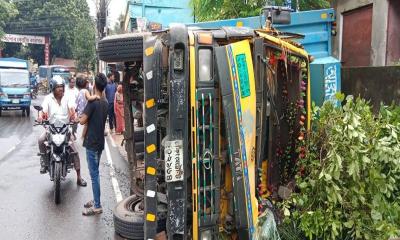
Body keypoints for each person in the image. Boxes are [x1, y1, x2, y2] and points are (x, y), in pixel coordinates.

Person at [37, 75, 87, 187]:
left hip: (65, 129)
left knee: (74, 151)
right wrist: (40, 117)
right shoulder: (48, 98)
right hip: (51, 128)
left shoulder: (67, 97)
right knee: (41, 140)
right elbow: (43, 110)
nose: (60, 89)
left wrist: (74, 117)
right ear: (52, 88)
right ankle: (45, 163)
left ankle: (79, 177)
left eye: (61, 87)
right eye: (57, 87)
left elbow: (71, 109)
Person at [79, 73, 108, 216]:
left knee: (94, 175)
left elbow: (82, 121)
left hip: (91, 143)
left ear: (95, 86)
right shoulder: (105, 103)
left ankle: (97, 206)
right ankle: (96, 199)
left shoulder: (93, 103)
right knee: (95, 174)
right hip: (100, 143)